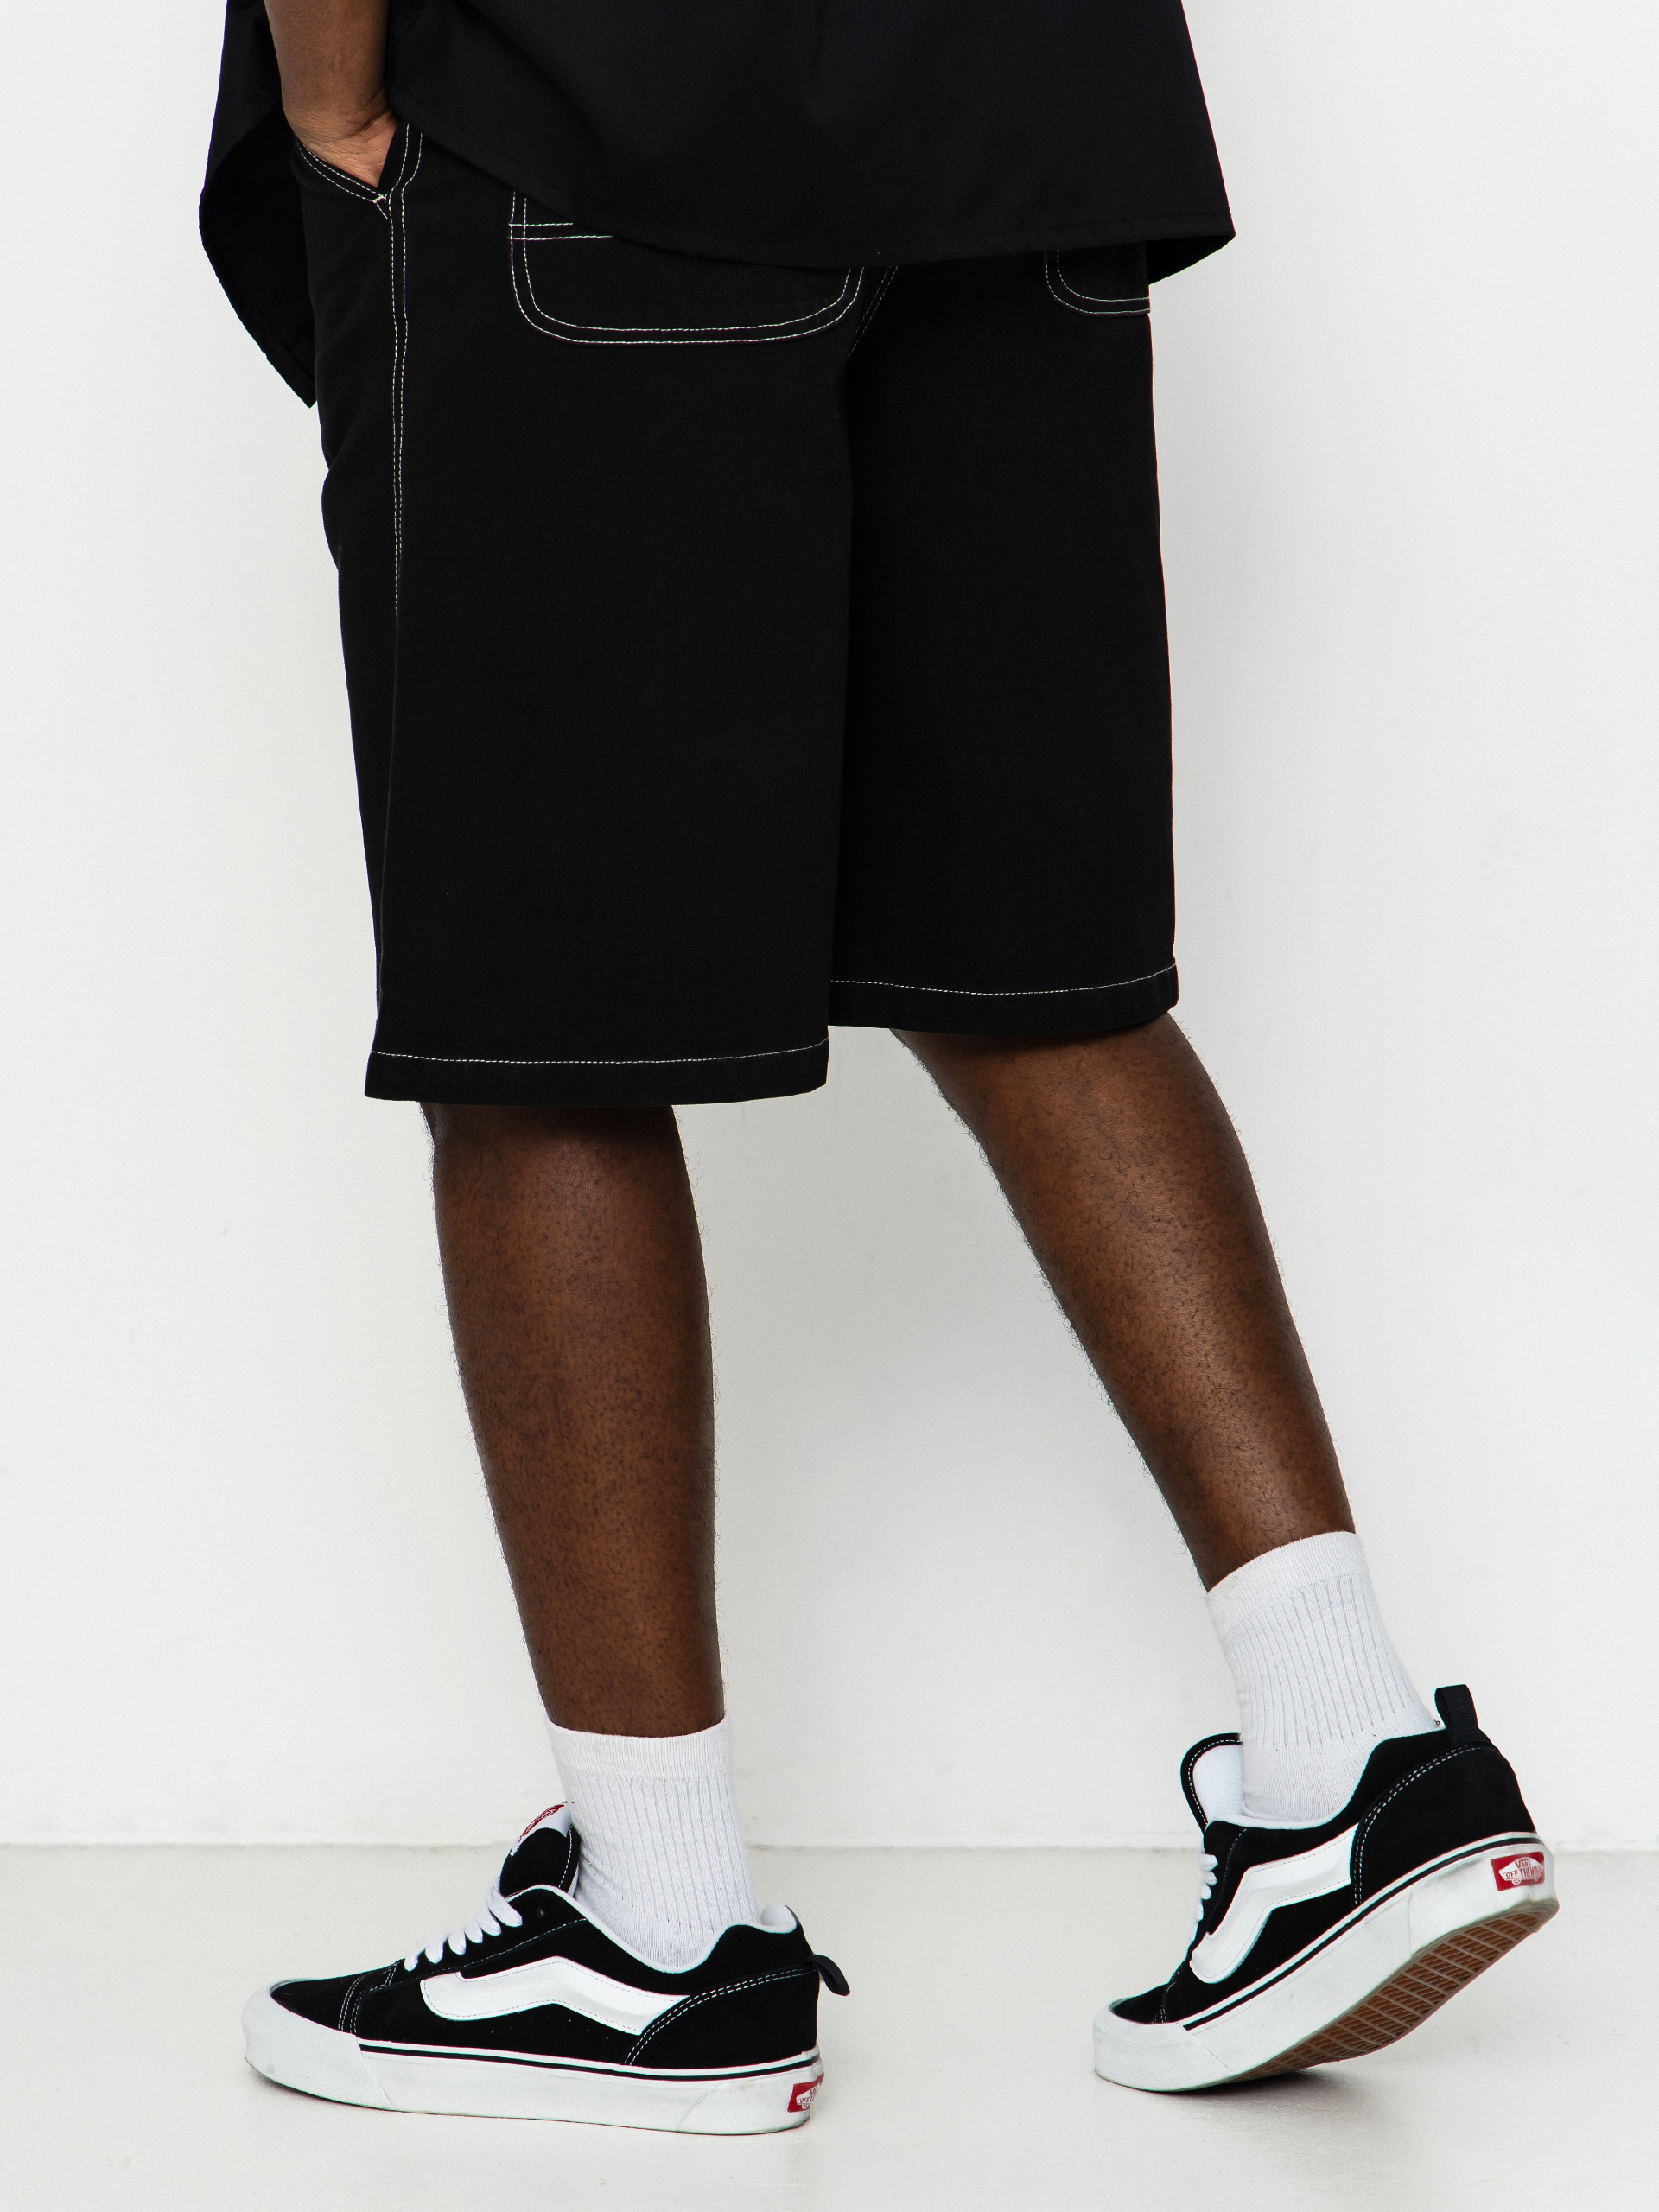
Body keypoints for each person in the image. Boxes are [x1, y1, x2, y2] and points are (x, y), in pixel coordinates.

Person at [203, 0, 1555, 2133]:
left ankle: (658, 1933)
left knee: (541, 1025)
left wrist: (334, 97)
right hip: (1027, 110)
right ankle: (1349, 1743)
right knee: (1034, 966)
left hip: (589, 110)